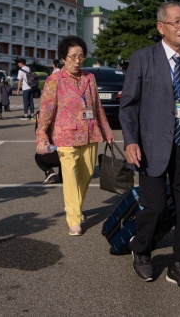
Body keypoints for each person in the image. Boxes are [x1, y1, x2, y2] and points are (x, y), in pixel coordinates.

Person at [119, 2, 180, 291]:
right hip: (152, 145)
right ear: (161, 27)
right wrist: (131, 140)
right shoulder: (143, 58)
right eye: (176, 22)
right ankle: (141, 248)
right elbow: (129, 104)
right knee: (156, 206)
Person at [36, 36, 114, 235]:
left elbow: (97, 106)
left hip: (90, 133)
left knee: (86, 174)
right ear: (63, 57)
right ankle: (74, 217)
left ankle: (74, 207)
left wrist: (107, 131)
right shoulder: (55, 80)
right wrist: (42, 133)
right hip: (65, 135)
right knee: (70, 175)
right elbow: (46, 109)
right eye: (73, 57)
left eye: (81, 56)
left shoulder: (89, 78)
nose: (77, 61)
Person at [34, 111, 62, 184]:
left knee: (38, 156)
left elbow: (37, 131)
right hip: (66, 150)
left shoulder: (41, 114)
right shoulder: (64, 112)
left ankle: (49, 171)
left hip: (50, 152)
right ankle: (65, 173)